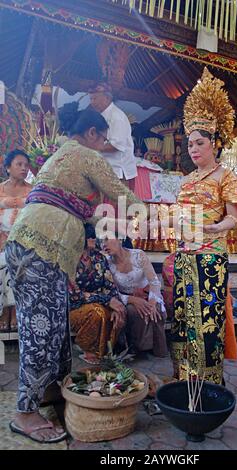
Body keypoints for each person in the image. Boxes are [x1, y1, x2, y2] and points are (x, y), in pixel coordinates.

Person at [5, 101, 141, 444]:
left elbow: (85, 211)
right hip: (40, 249)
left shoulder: (63, 156)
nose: (104, 147)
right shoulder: (85, 154)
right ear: (92, 133)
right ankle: (25, 412)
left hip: (32, 247)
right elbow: (122, 194)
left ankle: (50, 391)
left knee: (53, 325)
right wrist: (153, 214)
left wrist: (106, 224)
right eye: (103, 139)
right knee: (42, 329)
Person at [169, 68, 237, 384]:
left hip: (211, 256)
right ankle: (183, 377)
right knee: (183, 318)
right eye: (190, 145)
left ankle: (209, 381)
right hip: (184, 255)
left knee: (208, 319)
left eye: (200, 143)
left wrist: (217, 228)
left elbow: (234, 216)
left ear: (214, 142)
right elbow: (177, 217)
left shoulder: (227, 177)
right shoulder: (184, 181)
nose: (194, 150)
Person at [69, 223, 126, 364]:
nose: (95, 240)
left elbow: (109, 284)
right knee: (97, 311)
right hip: (73, 307)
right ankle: (89, 349)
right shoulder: (68, 259)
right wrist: (107, 301)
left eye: (95, 237)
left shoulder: (99, 258)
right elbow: (74, 295)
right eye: (91, 237)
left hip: (99, 302)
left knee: (118, 311)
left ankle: (108, 351)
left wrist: (115, 304)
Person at [102, 237, 168, 358]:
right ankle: (138, 349)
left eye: (107, 240)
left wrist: (152, 302)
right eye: (101, 241)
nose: (104, 244)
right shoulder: (106, 262)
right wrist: (132, 300)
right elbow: (111, 291)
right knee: (134, 310)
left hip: (147, 294)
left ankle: (159, 349)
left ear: (119, 240)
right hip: (124, 297)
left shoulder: (138, 255)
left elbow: (154, 282)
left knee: (155, 309)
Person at [0, 150, 32, 332]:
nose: (24, 168)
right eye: (19, 164)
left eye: (26, 165)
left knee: (15, 260)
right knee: (3, 261)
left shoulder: (32, 190)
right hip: (1, 239)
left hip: (24, 241)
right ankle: (4, 310)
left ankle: (14, 309)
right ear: (8, 167)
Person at [89, 83, 137, 190]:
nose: (92, 102)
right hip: (107, 171)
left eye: (95, 98)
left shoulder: (117, 117)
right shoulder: (101, 116)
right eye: (91, 99)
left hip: (119, 173)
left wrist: (91, 148)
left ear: (107, 98)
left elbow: (116, 146)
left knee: (120, 205)